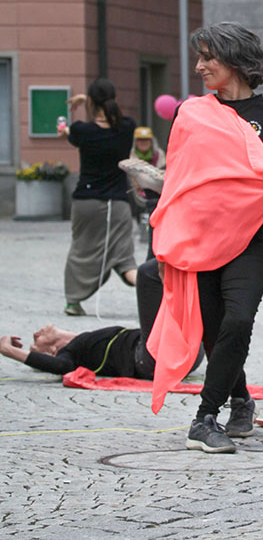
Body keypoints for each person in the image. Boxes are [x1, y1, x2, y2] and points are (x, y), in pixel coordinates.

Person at [172, 23, 263, 453]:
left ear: (235, 59)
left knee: (239, 320)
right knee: (214, 330)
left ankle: (204, 417)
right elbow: (180, 179)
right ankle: (241, 399)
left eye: (208, 57)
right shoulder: (190, 113)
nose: (199, 66)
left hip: (249, 241)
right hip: (199, 240)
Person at [0, 260, 202, 379]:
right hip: (154, 357)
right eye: (36, 341)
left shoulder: (84, 342)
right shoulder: (70, 354)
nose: (36, 333)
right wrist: (8, 350)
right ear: (52, 351)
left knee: (165, 273)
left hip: (185, 352)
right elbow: (59, 367)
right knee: (149, 273)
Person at [61, 79, 137, 316]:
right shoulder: (127, 128)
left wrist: (85, 102)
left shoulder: (82, 131)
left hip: (87, 202)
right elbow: (114, 116)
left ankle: (73, 302)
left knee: (81, 250)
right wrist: (91, 99)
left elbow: (71, 134)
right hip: (118, 204)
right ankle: (158, 292)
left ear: (91, 102)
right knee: (125, 258)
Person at [127, 127, 166, 249]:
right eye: (140, 140)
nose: (143, 143)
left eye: (146, 140)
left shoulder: (159, 154)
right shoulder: (131, 155)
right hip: (136, 191)